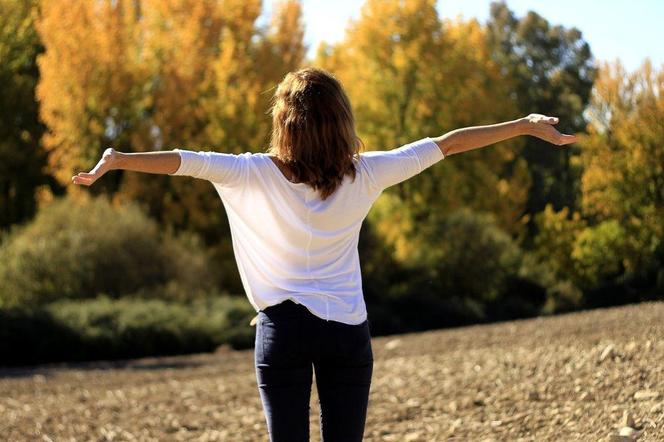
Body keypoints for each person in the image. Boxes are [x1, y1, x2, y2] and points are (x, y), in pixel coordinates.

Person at [71, 67, 577, 441]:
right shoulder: (368, 172)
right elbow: (446, 145)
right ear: (341, 122)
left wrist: (117, 161)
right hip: (347, 331)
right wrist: (523, 124)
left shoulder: (251, 172)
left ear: (283, 123)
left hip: (282, 331)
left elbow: (183, 162)